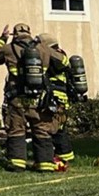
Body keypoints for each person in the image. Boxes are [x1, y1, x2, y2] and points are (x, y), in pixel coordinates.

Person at [0, 23, 68, 172]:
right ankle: (45, 165)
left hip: (17, 100)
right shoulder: (43, 48)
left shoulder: (9, 49)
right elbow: (63, 62)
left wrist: (2, 39)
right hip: (39, 100)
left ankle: (17, 164)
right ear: (30, 33)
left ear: (14, 34)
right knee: (42, 130)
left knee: (16, 130)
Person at [38, 33, 75, 164]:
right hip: (61, 101)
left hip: (55, 100)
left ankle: (56, 160)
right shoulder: (59, 55)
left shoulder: (55, 57)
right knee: (59, 130)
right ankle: (65, 158)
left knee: (51, 129)